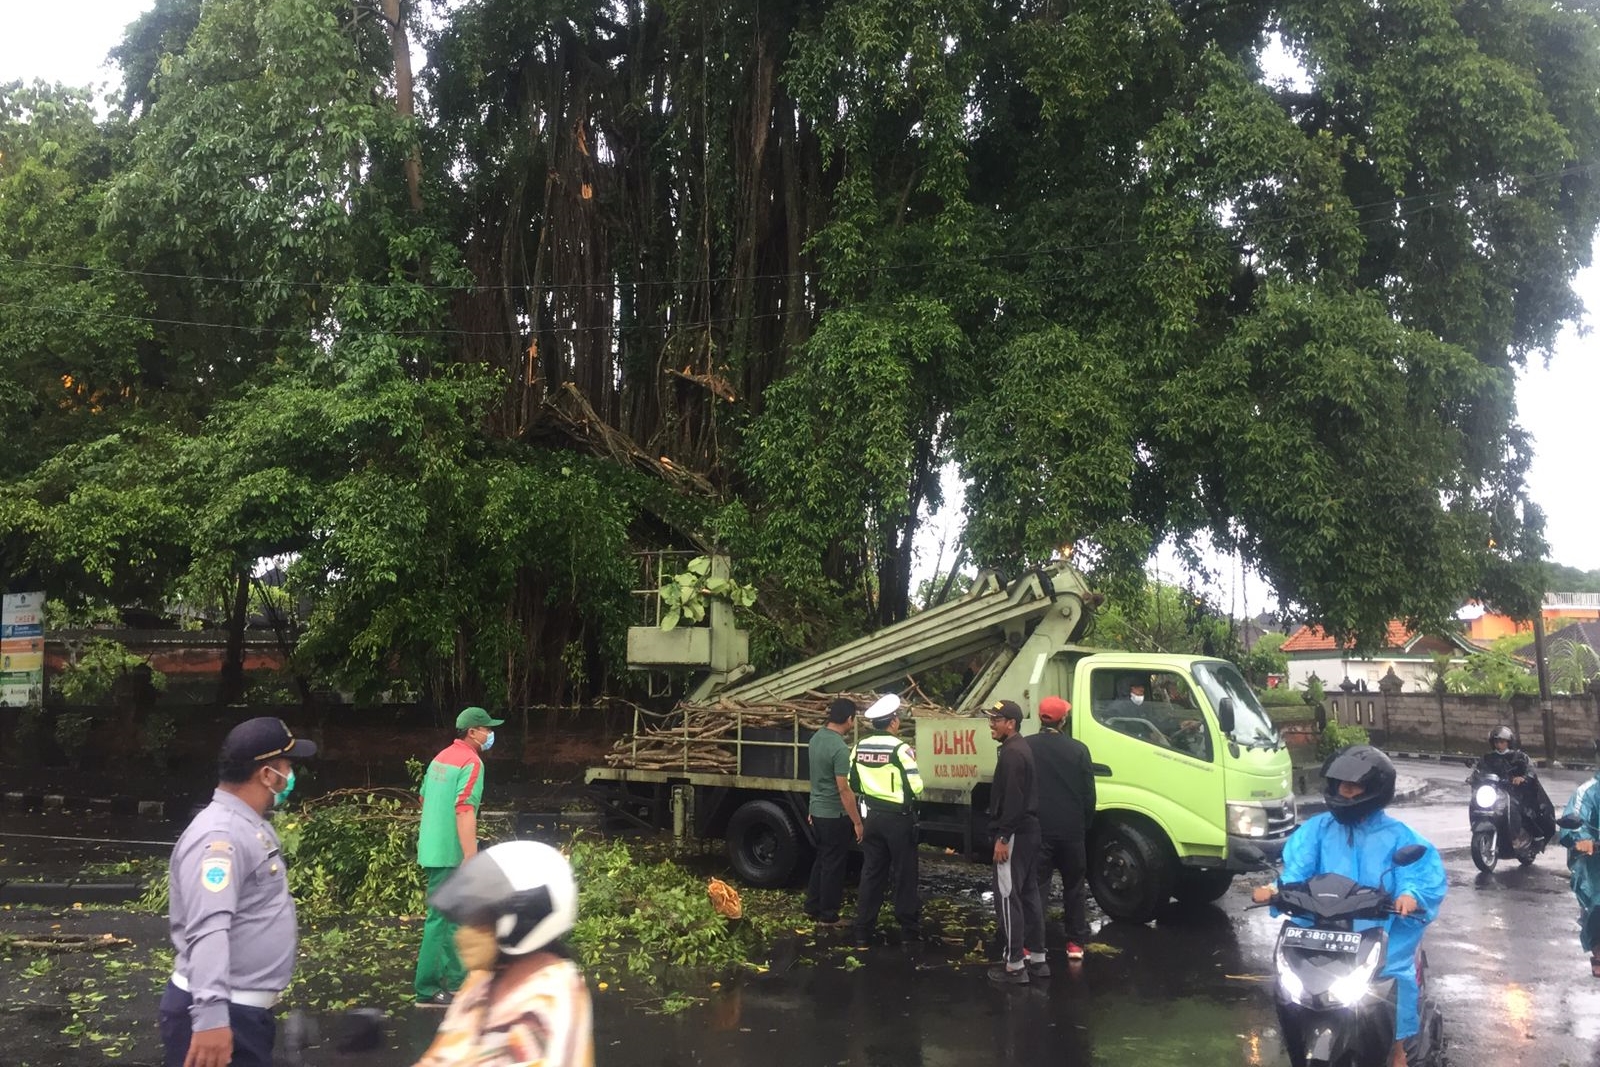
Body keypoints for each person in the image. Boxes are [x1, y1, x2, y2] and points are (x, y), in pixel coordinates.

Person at [1251, 745, 1446, 1067]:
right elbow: (1297, 870)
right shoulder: (1317, 830)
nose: (1346, 792)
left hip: (1378, 928)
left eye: (1354, 787)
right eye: (1342, 786)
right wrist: (1275, 890)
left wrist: (1410, 895)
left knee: (1394, 974)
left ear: (1374, 790)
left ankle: (1398, 1048)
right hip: (1323, 926)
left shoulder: (1399, 836)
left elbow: (1417, 873)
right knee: (1294, 979)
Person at [159, 717, 318, 1067]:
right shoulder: (220, 837)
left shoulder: (249, 825)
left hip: (243, 1013)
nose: (291, 775)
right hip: (222, 1015)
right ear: (267, 775)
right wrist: (211, 1018)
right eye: (287, 766)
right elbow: (209, 929)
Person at [412, 840, 593, 1066]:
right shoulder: (481, 983)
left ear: (524, 920)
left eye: (479, 921)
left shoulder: (551, 995)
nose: (463, 935)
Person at [415, 705, 505, 1006]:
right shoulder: (472, 762)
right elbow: (464, 808)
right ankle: (427, 988)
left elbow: (423, 798)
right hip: (451, 853)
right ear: (473, 732)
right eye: (487, 729)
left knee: (455, 918)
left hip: (433, 848)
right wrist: (470, 855)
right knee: (440, 920)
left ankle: (456, 982)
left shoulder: (440, 758)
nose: (490, 734)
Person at [1025, 695, 1095, 968]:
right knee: (1074, 887)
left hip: (1039, 829)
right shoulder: (1078, 750)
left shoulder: (1027, 746)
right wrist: (1084, 825)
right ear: (1063, 720)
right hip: (1071, 831)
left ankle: (1032, 945)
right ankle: (1075, 943)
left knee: (1037, 887)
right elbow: (1089, 795)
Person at [849, 694, 924, 948]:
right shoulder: (901, 749)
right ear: (893, 722)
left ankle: (863, 930)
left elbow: (852, 782)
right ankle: (909, 931)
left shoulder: (859, 747)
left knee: (872, 873)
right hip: (899, 819)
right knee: (904, 874)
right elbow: (916, 787)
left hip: (871, 816)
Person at [986, 699, 1041, 985]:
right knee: (1029, 894)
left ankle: (1015, 963)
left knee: (1008, 896)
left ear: (1011, 723)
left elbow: (1014, 800)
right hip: (1029, 831)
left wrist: (1003, 836)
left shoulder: (1012, 754)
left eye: (996, 720)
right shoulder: (1019, 748)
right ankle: (1039, 958)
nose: (991, 725)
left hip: (1016, 833)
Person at [804, 697, 865, 928]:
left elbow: (816, 778)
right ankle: (828, 915)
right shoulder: (839, 748)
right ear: (849, 719)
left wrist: (812, 808)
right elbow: (843, 789)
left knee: (822, 860)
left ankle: (811, 907)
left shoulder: (816, 739)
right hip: (834, 815)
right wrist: (857, 822)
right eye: (853, 719)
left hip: (817, 811)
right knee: (833, 865)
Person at [1556, 742, 1600, 978]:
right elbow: (1574, 820)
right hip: (1595, 861)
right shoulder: (1588, 791)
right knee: (1597, 902)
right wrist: (1583, 840)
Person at [1478, 725, 1556, 842]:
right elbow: (1479, 770)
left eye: (1502, 742)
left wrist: (1522, 778)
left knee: (1521, 810)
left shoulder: (1519, 757)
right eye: (1496, 742)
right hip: (1494, 791)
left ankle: (1529, 835)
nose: (1499, 745)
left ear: (1508, 742)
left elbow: (1530, 770)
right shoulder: (1488, 757)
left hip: (1515, 792)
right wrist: (1473, 777)